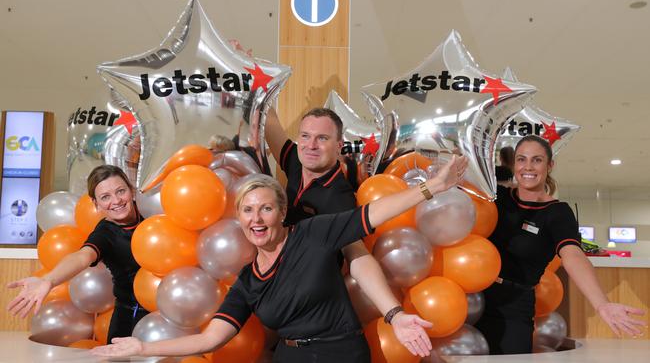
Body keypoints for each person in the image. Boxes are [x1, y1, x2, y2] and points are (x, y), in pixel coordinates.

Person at [91, 155, 469, 361]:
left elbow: (375, 213)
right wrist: (142, 348)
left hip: (343, 355)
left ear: (282, 211)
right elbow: (209, 340)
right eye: (247, 211)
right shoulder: (248, 280)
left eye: (265, 209)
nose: (256, 219)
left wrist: (433, 186)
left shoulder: (314, 234)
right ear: (238, 219)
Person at [475, 135, 646, 354]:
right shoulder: (497, 199)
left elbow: (573, 255)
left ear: (550, 165)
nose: (528, 167)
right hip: (474, 299)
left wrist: (602, 303)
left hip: (514, 308)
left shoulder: (557, 213)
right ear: (514, 163)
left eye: (536, 160)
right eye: (521, 159)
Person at [263, 107, 414, 333]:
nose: (311, 145)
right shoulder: (297, 159)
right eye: (305, 136)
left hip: (313, 305)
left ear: (338, 145)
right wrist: (257, 81)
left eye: (322, 138)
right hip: (277, 291)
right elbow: (269, 121)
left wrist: (394, 313)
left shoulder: (338, 198)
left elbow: (357, 255)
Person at [6, 165, 149, 342]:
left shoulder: (151, 210)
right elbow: (82, 257)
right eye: (105, 197)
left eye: (121, 191)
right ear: (96, 204)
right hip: (132, 318)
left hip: (179, 312)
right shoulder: (105, 233)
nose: (116, 201)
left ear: (131, 190)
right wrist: (47, 280)